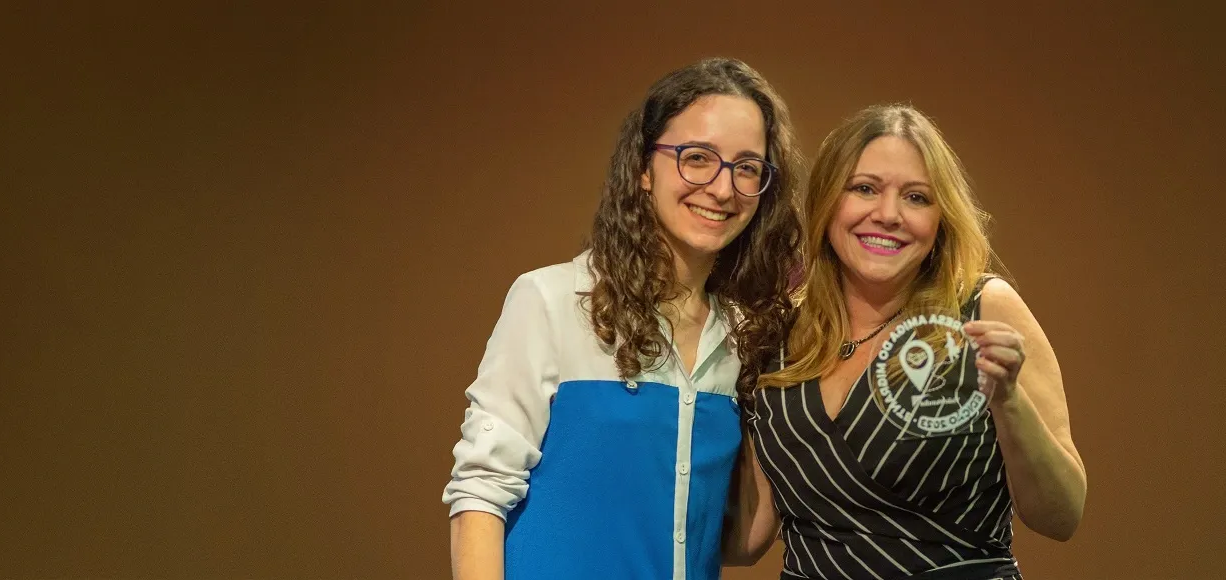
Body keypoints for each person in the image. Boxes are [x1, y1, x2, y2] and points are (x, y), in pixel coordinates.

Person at [442, 58, 801, 580]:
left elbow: (741, 544)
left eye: (747, 168)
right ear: (643, 168)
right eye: (697, 158)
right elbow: (480, 493)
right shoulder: (552, 301)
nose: (723, 189)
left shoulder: (741, 337)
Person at [730, 105, 1086, 580]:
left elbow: (1061, 516)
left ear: (941, 220)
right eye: (864, 189)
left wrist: (1008, 401)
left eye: (916, 197)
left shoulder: (982, 309)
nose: (888, 215)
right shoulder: (778, 340)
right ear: (827, 202)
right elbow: (748, 538)